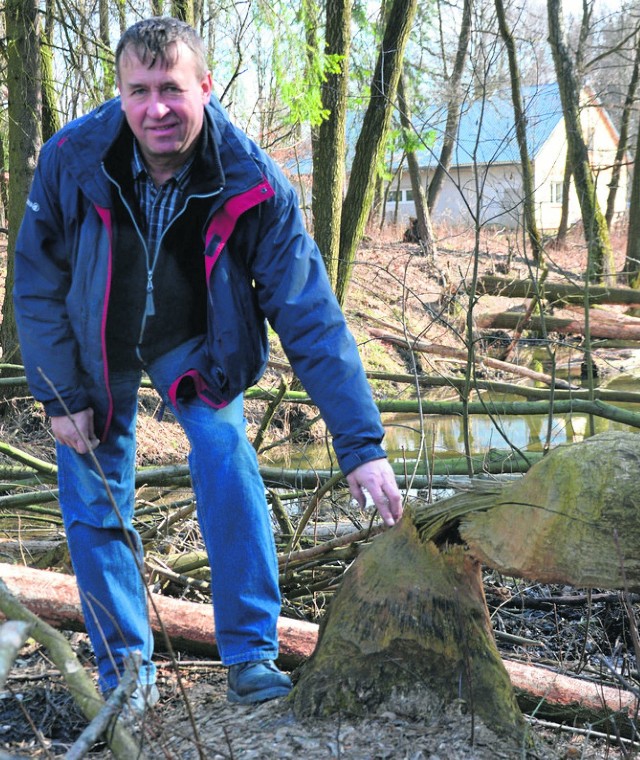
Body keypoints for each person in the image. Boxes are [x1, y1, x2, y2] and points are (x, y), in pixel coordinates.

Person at [13, 17, 403, 710]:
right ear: (120, 92)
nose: (155, 108)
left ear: (205, 87)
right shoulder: (71, 156)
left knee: (225, 452)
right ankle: (125, 673)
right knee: (93, 488)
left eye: (171, 88)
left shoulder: (253, 180)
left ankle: (251, 653)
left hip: (196, 344)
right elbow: (37, 279)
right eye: (139, 90)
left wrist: (361, 444)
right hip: (92, 343)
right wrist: (58, 391)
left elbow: (310, 314)